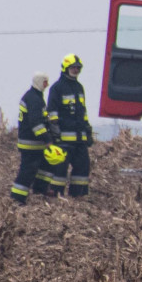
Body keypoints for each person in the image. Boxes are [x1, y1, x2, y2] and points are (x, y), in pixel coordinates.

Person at [49, 53, 94, 198]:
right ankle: (56, 195)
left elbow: (83, 112)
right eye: (73, 67)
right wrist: (56, 133)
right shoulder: (57, 88)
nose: (76, 70)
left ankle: (78, 195)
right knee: (60, 170)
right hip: (64, 139)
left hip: (79, 139)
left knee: (83, 167)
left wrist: (87, 131)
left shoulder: (79, 87)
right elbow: (52, 112)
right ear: (65, 68)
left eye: (78, 68)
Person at [10, 72, 53, 204]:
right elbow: (36, 123)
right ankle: (17, 198)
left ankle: (40, 190)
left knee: (44, 167)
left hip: (34, 143)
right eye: (45, 82)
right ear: (39, 82)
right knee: (27, 172)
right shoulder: (34, 99)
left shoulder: (35, 97)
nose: (47, 85)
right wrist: (47, 139)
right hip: (30, 143)